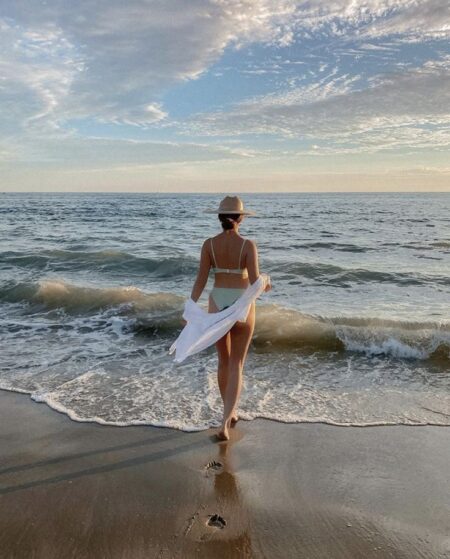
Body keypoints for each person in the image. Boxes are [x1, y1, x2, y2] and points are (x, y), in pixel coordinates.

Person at [189, 196, 271, 441]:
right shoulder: (248, 246)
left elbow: (201, 280)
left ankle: (228, 413)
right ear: (240, 218)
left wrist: (190, 309)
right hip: (242, 304)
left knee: (223, 361)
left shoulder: (209, 245)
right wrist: (267, 282)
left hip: (217, 301)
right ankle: (227, 420)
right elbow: (256, 282)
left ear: (219, 218)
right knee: (237, 363)